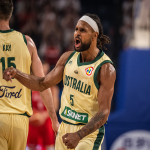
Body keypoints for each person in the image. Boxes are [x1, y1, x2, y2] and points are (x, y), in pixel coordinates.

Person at [4, 13, 116, 150]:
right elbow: (42, 83)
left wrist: (79, 135)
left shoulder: (105, 68)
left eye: (82, 30)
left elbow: (104, 112)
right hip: (64, 128)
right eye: (76, 29)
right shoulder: (67, 58)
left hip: (88, 134)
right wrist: (17, 74)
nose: (77, 33)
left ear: (94, 36)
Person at [0, 0, 59, 150]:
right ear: (11, 13)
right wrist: (54, 120)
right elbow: (43, 84)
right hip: (21, 121)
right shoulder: (27, 42)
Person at [27, 62, 60, 150]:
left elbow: (55, 106)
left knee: (50, 146)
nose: (43, 74)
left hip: (47, 119)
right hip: (33, 119)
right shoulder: (29, 87)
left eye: (45, 71)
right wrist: (33, 115)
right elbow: (26, 105)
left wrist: (43, 116)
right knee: (31, 146)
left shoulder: (54, 88)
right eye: (42, 71)